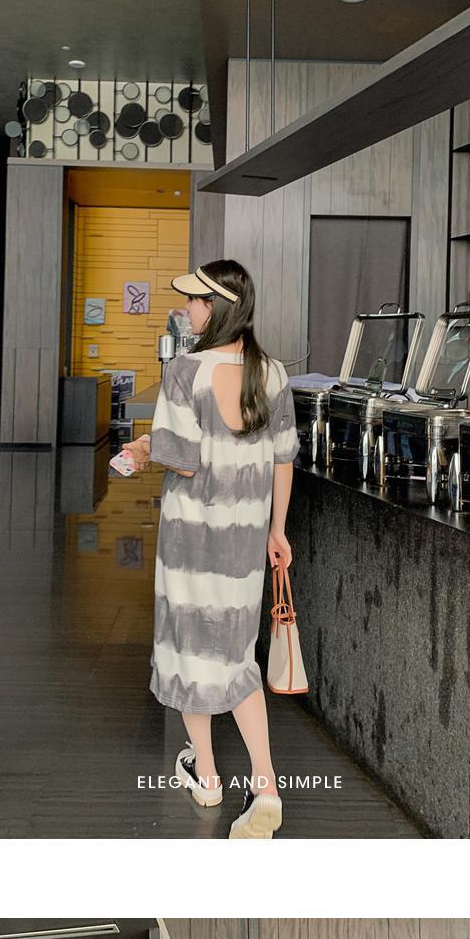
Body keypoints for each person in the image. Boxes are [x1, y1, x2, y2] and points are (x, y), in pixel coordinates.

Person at [120, 261, 299, 839]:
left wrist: (143, 449)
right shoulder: (272, 373)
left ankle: (209, 777)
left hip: (190, 542)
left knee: (188, 650)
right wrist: (277, 530)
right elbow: (283, 457)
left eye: (194, 300)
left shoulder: (184, 371)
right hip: (244, 543)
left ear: (216, 307)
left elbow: (181, 457)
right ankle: (266, 787)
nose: (187, 309)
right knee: (237, 658)